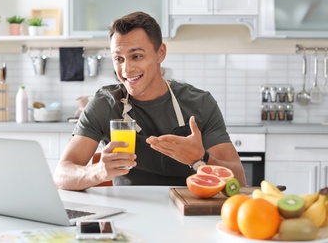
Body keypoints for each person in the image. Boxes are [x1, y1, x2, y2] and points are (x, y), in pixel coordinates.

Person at [53, 11, 246, 190]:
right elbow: (61, 175)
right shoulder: (105, 104)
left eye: (136, 56)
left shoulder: (200, 104)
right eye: (119, 59)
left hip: (188, 210)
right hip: (127, 213)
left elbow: (239, 181)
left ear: (160, 53)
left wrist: (201, 158)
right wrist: (98, 172)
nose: (126, 70)